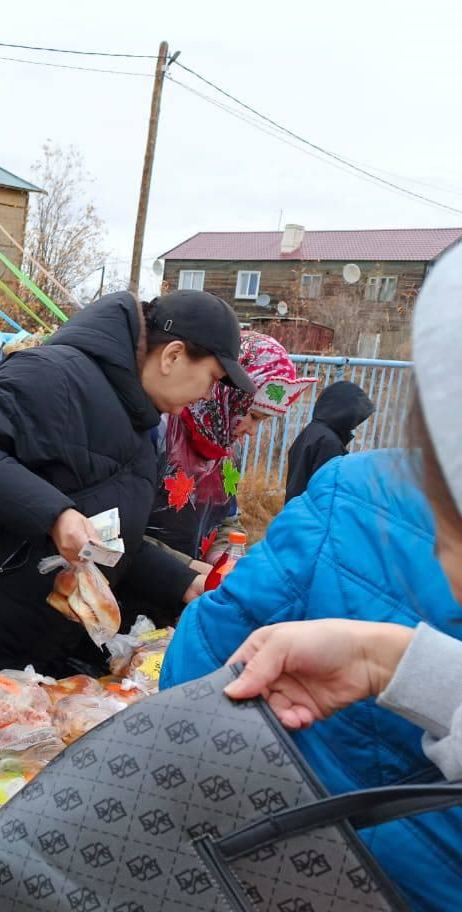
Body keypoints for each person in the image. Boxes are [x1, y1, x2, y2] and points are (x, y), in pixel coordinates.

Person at [163, 261, 462, 912]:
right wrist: (398, 665)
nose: (438, 550)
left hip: (285, 843)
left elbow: (207, 624)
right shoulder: (163, 431)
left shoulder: (346, 486)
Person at [0, 289, 258, 719]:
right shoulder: (56, 374)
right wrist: (55, 515)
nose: (208, 394)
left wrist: (180, 581)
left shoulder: (141, 423)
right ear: (172, 355)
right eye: (211, 377)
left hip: (21, 644)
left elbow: (101, 532)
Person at [146, 331, 314, 568]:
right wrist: (189, 571)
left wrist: (224, 558)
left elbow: (227, 519)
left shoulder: (226, 453)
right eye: (253, 416)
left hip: (194, 593)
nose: (252, 431)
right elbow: (123, 531)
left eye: (261, 421)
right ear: (228, 394)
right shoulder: (160, 431)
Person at [285, 379, 375, 500]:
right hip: (313, 514)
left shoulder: (312, 431)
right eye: (356, 418)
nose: (355, 425)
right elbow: (326, 492)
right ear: (345, 413)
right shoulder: (329, 443)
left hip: (296, 508)